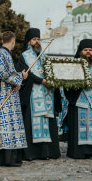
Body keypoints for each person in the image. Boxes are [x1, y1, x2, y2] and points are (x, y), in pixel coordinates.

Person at [17, 28, 61, 161]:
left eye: (38, 39)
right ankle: (32, 153)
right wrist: (41, 80)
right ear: (29, 42)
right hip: (32, 94)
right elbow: (24, 73)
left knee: (47, 121)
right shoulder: (24, 56)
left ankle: (47, 152)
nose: (36, 42)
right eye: (34, 40)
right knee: (32, 121)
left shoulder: (44, 55)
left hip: (47, 93)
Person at [0, 31, 28, 167]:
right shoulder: (3, 53)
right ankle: (7, 159)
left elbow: (7, 73)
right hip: (3, 96)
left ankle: (11, 158)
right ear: (13, 41)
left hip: (6, 94)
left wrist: (18, 78)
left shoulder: (2, 53)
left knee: (9, 125)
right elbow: (4, 74)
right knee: (6, 124)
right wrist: (20, 78)